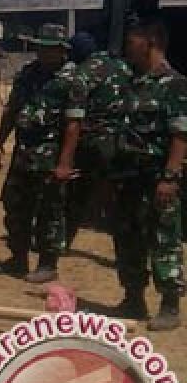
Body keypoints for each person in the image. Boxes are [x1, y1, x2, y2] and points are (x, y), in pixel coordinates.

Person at [113, 17, 186, 330]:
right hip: (129, 176)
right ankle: (133, 297)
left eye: (133, 41)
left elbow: (181, 135)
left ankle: (169, 305)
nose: (128, 46)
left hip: (157, 176)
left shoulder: (175, 84)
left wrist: (169, 177)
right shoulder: (133, 82)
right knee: (128, 237)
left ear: (151, 43)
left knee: (163, 239)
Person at [0, 24, 74, 282]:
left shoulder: (71, 80)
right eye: (40, 47)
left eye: (48, 48)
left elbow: (74, 125)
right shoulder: (28, 74)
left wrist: (64, 163)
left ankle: (48, 264)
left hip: (51, 154)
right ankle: (18, 258)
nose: (42, 53)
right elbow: (13, 109)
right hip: (24, 151)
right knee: (15, 205)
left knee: (49, 210)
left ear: (61, 50)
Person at [58, 32, 132, 248]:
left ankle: (63, 240)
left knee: (76, 193)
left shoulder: (83, 73)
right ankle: (127, 247)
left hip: (94, 142)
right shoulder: (123, 66)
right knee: (119, 198)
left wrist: (66, 159)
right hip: (125, 140)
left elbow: (75, 117)